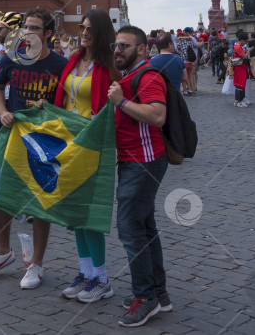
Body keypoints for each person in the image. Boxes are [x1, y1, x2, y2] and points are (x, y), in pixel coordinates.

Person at [0, 8, 67, 289]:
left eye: (34, 28)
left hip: (44, 138)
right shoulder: (11, 58)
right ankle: (3, 252)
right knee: (0, 196)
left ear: (48, 33)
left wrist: (50, 108)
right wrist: (2, 109)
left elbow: (68, 101)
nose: (27, 32)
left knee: (41, 200)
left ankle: (37, 263)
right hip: (13, 133)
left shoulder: (60, 64)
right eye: (25, 27)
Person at [53, 9, 119, 303]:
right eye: (82, 27)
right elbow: (65, 97)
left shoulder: (109, 67)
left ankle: (103, 280)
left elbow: (119, 104)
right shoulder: (74, 60)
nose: (83, 31)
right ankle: (86, 273)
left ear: (101, 32)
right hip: (68, 144)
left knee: (90, 214)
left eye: (90, 28)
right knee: (76, 213)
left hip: (93, 146)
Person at [107, 25, 171, 328]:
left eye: (124, 45)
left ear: (142, 49)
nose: (118, 50)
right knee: (145, 228)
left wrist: (121, 101)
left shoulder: (148, 76)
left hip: (143, 163)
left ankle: (145, 298)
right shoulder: (130, 77)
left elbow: (158, 115)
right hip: (136, 161)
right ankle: (159, 294)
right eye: (116, 45)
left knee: (130, 229)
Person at [232, 32, 252, 108]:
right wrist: (249, 51)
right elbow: (244, 57)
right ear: (242, 40)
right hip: (241, 67)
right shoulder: (238, 47)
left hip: (238, 67)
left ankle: (236, 101)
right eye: (245, 41)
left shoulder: (236, 46)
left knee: (238, 85)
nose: (245, 43)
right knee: (240, 85)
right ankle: (239, 101)